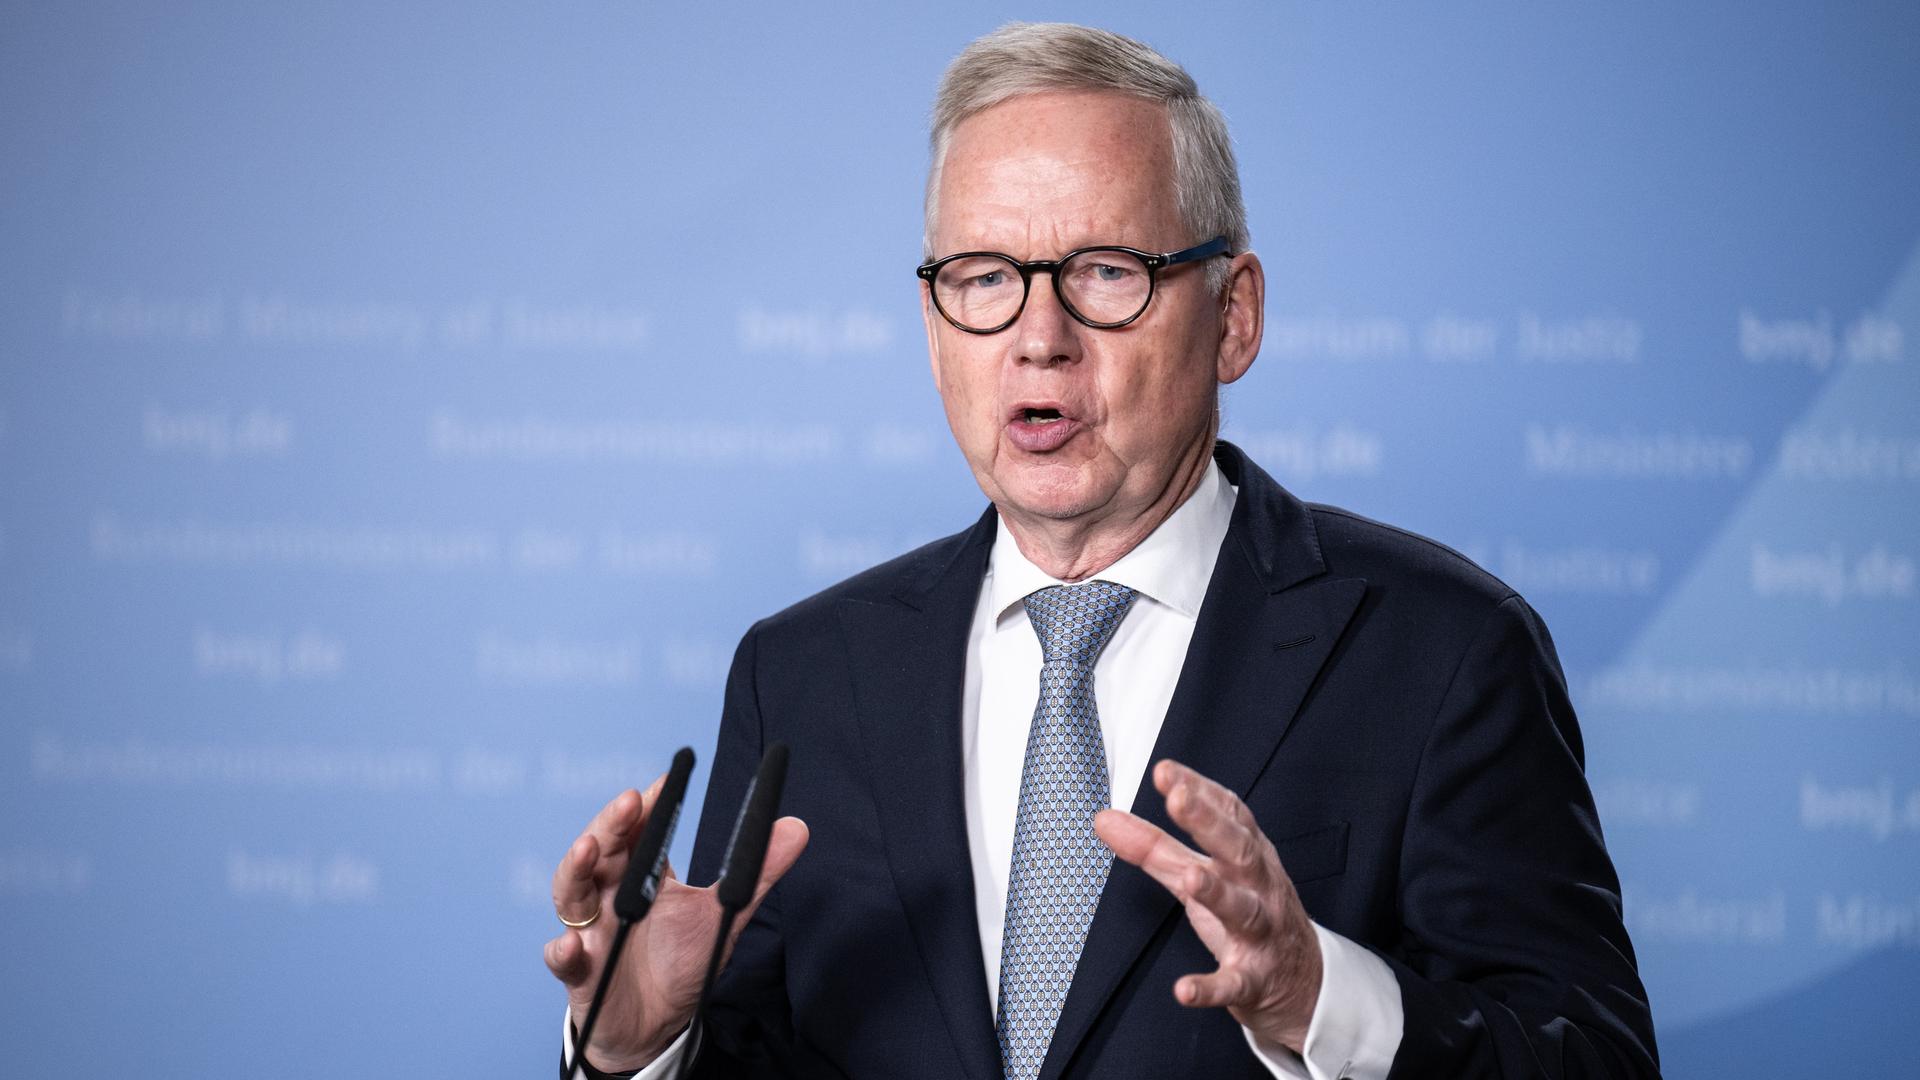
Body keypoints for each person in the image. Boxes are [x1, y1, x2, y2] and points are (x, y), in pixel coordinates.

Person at [544, 22, 1659, 1080]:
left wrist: (1323, 996)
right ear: (934, 336)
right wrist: (638, 1049)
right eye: (984, 277)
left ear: (1234, 317)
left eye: (1108, 271)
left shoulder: (1445, 651)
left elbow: (1595, 1063)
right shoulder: (802, 673)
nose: (1039, 337)